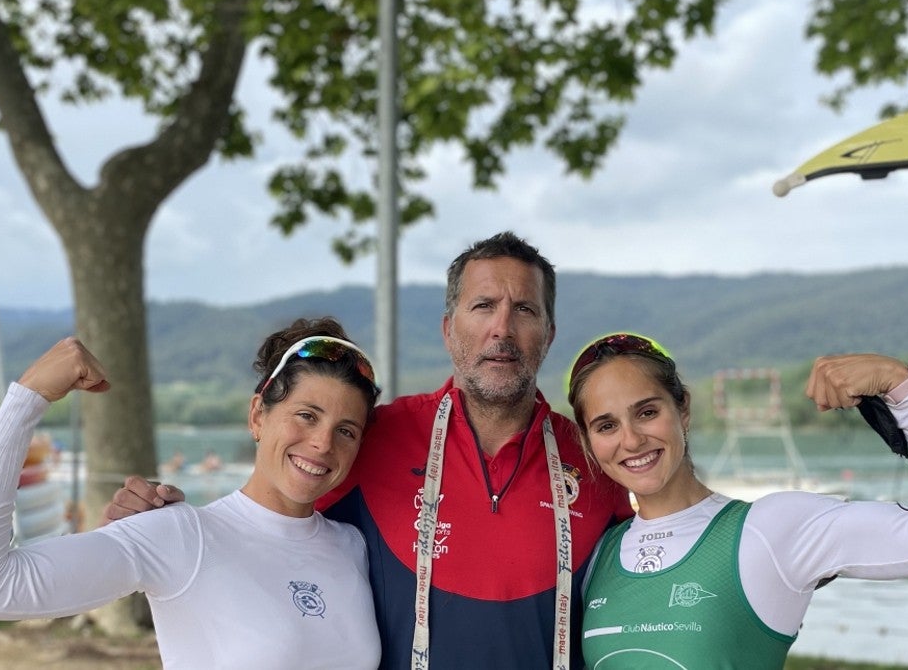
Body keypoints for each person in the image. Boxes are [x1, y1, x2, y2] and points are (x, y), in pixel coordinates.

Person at [107, 232, 634, 669]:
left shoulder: (595, 459)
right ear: (450, 331)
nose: (502, 327)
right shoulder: (378, 436)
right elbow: (274, 518)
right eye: (483, 306)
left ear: (548, 333)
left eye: (524, 309)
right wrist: (181, 527)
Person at [0, 318, 384, 669]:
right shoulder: (179, 535)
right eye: (306, 415)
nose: (323, 443)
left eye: (346, 430)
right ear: (258, 416)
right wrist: (27, 400)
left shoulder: (353, 546)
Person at [565, 333, 908, 669]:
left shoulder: (772, 529)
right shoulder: (595, 555)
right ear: (588, 440)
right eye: (606, 426)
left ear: (683, 408)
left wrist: (904, 389)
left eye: (647, 412)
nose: (631, 439)